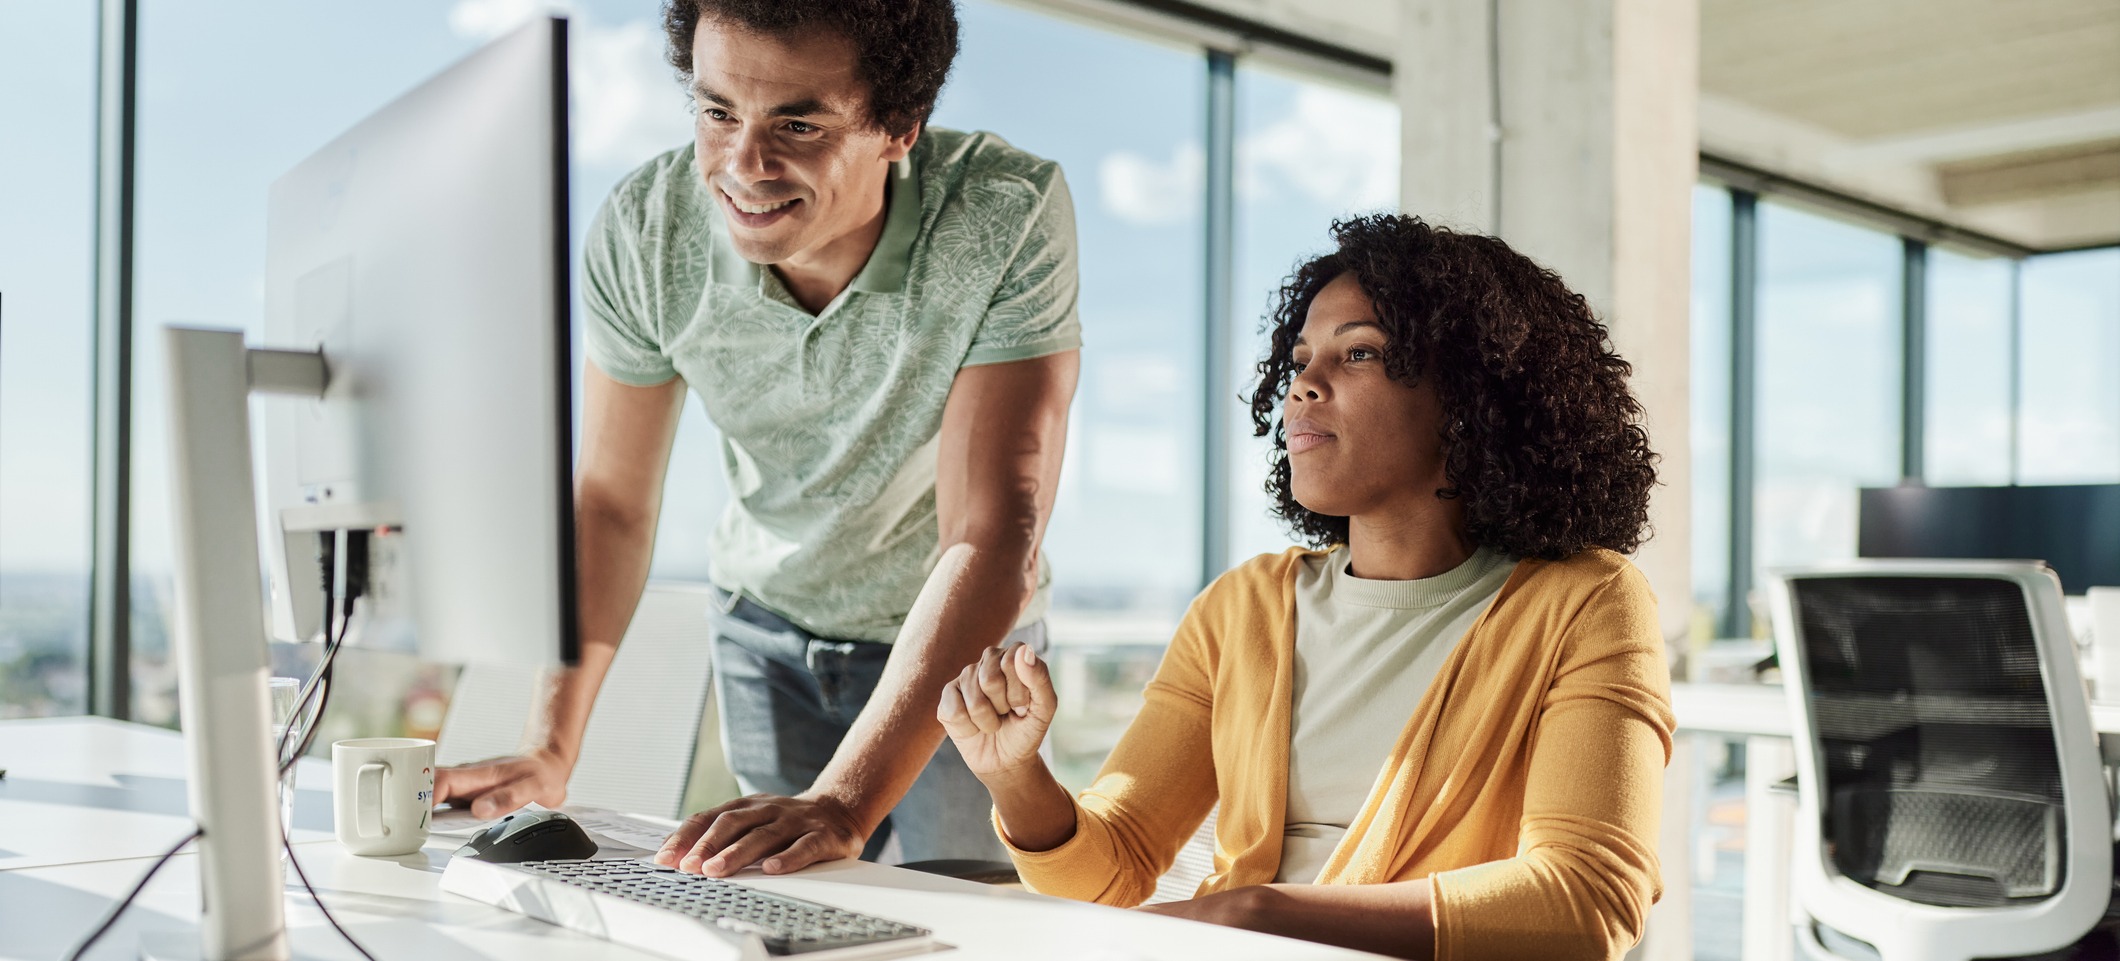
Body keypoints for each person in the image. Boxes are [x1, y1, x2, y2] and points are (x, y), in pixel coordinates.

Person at [436, 0, 1082, 878]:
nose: (742, 165)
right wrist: (549, 745)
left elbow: (993, 528)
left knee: (967, 909)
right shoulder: (646, 232)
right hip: (765, 630)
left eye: (798, 125)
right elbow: (613, 504)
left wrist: (845, 798)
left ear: (900, 126)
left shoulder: (1002, 212)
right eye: (717, 112)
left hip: (955, 642)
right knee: (784, 904)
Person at [940, 214, 1671, 960]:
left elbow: (1587, 897)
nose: (1303, 387)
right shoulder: (1240, 608)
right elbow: (1114, 867)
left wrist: (1256, 911)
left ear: (1471, 395)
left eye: (1359, 353)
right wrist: (1016, 776)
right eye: (1300, 360)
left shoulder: (1586, 601)